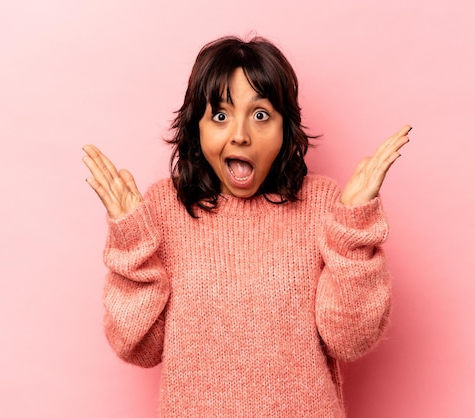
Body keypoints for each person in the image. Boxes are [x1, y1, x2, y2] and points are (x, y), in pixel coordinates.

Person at [82, 35, 410, 417]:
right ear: (196, 127)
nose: (240, 134)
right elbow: (137, 346)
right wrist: (132, 244)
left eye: (260, 115)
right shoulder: (162, 209)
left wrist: (353, 231)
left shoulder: (322, 204)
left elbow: (349, 340)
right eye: (220, 116)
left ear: (285, 128)